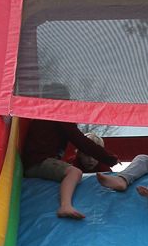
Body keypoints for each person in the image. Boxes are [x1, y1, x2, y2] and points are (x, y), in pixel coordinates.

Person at [21, 86, 118, 220]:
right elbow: (81, 141)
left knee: (69, 170)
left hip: (36, 161)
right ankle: (65, 206)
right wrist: (109, 158)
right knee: (74, 172)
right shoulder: (57, 114)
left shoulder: (44, 114)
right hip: (38, 162)